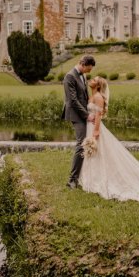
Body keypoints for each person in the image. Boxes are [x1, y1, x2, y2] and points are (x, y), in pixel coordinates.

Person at [61, 55, 96, 189]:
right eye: (88, 68)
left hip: (84, 113)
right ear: (83, 64)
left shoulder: (83, 76)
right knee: (81, 144)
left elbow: (84, 96)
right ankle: (72, 180)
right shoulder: (69, 76)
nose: (89, 71)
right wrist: (87, 115)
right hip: (76, 114)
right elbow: (72, 100)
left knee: (85, 143)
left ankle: (82, 176)